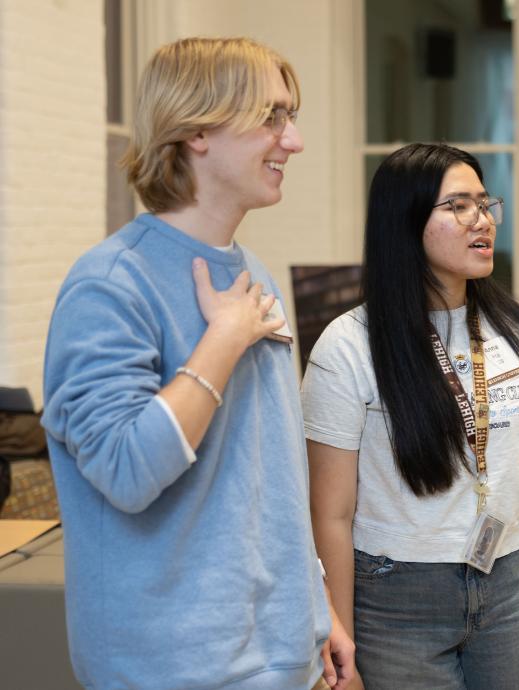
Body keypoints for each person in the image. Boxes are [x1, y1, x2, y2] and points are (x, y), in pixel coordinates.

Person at [42, 37, 352, 690]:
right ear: (197, 129)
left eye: (290, 117)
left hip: (279, 656)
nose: (291, 141)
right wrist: (223, 341)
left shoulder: (252, 273)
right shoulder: (109, 284)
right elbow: (125, 471)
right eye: (272, 116)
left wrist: (316, 610)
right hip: (169, 669)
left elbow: (270, 472)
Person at [302, 143, 519, 689]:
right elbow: (330, 513)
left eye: (484, 203)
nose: (483, 220)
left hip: (513, 576)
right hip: (395, 594)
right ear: (404, 223)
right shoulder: (348, 347)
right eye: (458, 206)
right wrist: (341, 641)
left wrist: (484, 506)